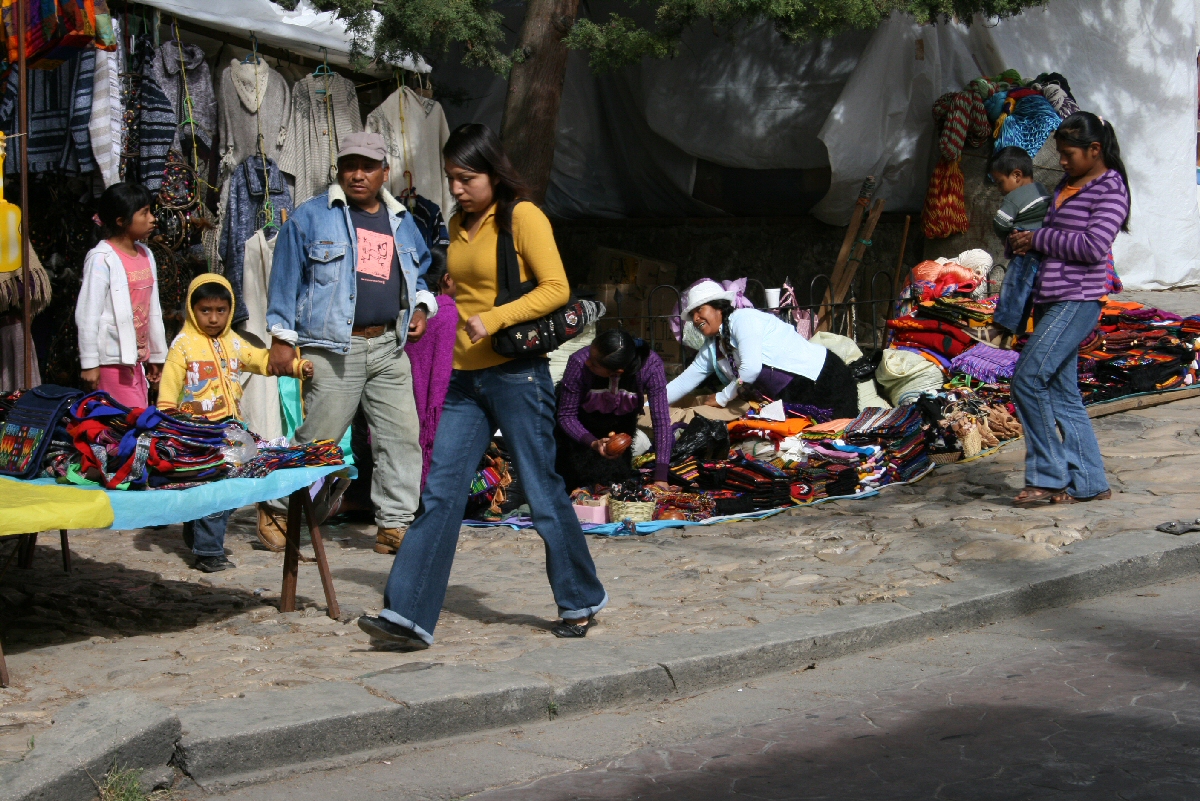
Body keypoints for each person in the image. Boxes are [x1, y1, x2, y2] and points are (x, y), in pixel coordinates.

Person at [357, 123, 608, 648]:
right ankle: (407, 616)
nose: (457, 188)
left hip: (518, 376)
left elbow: (556, 288)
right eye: (451, 177)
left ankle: (580, 597)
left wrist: (493, 319)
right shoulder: (456, 222)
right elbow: (467, 289)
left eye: (467, 178)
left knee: (540, 491)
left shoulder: (523, 216)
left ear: (494, 173)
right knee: (439, 494)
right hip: (463, 381)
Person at [264, 132, 438, 555]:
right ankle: (278, 509)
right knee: (319, 440)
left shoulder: (403, 221)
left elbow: (421, 272)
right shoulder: (311, 217)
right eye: (349, 166)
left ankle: (395, 523)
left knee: (401, 437)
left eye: (368, 167)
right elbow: (285, 278)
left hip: (388, 346)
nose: (358, 174)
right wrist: (281, 338)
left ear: (385, 172)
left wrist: (420, 308)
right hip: (333, 348)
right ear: (339, 170)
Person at [1008, 111, 1129, 506]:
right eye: (1060, 153)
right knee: (1062, 393)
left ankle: (1048, 476)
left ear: (1095, 150)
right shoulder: (1068, 183)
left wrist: (1039, 239)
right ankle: (1090, 482)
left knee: (1027, 379)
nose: (1061, 161)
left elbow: (1093, 247)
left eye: (1069, 154)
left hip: (1079, 298)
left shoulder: (1111, 189)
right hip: (1050, 297)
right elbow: (1057, 235)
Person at [158, 275, 312, 571]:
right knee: (216, 489)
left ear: (230, 311)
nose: (214, 318)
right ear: (192, 309)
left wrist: (296, 367)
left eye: (221, 310)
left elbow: (262, 360)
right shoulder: (183, 346)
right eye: (205, 310)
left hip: (231, 431)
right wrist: (168, 419)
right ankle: (209, 552)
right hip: (198, 435)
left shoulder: (234, 343)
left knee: (235, 487)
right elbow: (168, 388)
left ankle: (199, 532)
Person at [665, 280, 858, 419]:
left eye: (700, 310)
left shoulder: (743, 319)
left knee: (838, 438)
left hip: (822, 379)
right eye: (692, 314)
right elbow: (684, 381)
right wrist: (653, 404)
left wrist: (722, 397)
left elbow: (750, 369)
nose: (696, 318)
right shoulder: (713, 347)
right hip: (792, 394)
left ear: (719, 307)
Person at [76, 182, 167, 407]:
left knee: (136, 416)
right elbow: (87, 314)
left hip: (135, 361)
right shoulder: (102, 259)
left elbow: (153, 310)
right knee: (130, 418)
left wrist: (156, 355)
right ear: (121, 221)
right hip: (112, 361)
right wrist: (89, 363)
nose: (152, 219)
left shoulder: (146, 254)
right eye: (144, 213)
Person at [555, 328, 672, 491]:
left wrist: (661, 476)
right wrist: (593, 442)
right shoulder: (579, 362)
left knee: (615, 482)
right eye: (590, 355)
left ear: (616, 372)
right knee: (576, 483)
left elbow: (661, 421)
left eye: (595, 364)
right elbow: (566, 415)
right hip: (579, 427)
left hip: (621, 424)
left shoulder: (651, 366)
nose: (588, 363)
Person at [990, 146, 1052, 333]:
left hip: (1024, 249)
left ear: (1016, 175)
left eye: (1000, 183)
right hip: (1042, 247)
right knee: (1029, 292)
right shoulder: (1042, 190)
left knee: (1014, 286)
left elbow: (1000, 222)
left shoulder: (1014, 197)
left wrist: (1006, 237)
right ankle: (1019, 328)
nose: (999, 189)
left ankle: (1003, 328)